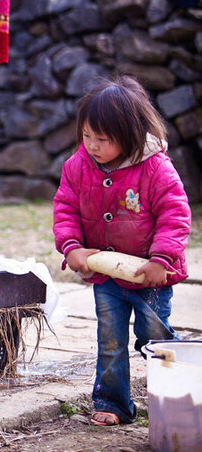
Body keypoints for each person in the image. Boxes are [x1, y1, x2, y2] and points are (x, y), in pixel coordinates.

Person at [52, 76, 191, 427]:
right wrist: (72, 247)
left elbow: (176, 215)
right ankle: (113, 402)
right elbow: (65, 209)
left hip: (151, 276)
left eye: (103, 139)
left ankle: (177, 389)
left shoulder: (156, 168)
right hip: (106, 276)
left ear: (130, 135)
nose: (93, 145)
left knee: (153, 338)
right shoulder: (76, 168)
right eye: (87, 136)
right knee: (110, 341)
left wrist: (163, 259)